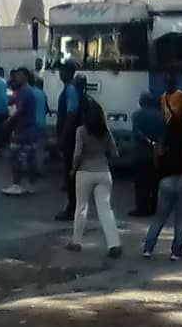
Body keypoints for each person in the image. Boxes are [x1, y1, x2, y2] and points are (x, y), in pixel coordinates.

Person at [67, 93, 121, 258]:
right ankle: (114, 244)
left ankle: (76, 242)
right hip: (104, 172)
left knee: (81, 207)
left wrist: (73, 168)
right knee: (105, 209)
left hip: (84, 171)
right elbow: (115, 153)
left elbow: (77, 154)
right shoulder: (106, 131)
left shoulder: (81, 131)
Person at [142, 116, 182, 261]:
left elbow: (156, 165)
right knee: (181, 218)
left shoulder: (160, 147)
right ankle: (176, 252)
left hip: (166, 182)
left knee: (159, 217)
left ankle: (148, 248)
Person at [2, 68, 39, 196]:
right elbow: (13, 103)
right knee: (29, 158)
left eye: (18, 76)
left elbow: (20, 110)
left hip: (22, 130)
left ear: (25, 77)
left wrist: (8, 121)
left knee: (15, 156)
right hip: (27, 129)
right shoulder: (22, 91)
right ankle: (30, 185)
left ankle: (17, 184)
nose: (16, 78)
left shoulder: (25, 91)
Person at [53, 62, 81, 221]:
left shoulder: (70, 90)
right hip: (69, 136)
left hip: (70, 137)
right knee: (70, 172)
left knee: (71, 173)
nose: (60, 73)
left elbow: (71, 114)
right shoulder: (68, 89)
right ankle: (73, 206)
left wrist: (63, 136)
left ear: (69, 72)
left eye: (62, 71)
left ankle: (72, 208)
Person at [130, 92, 165, 217]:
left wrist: (148, 141)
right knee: (154, 183)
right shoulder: (161, 116)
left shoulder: (136, 115)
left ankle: (142, 208)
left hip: (140, 154)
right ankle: (154, 207)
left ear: (141, 102)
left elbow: (137, 133)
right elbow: (164, 135)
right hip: (156, 155)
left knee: (140, 183)